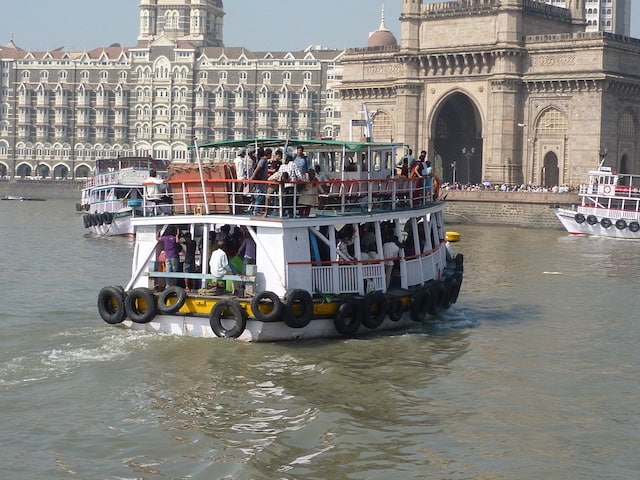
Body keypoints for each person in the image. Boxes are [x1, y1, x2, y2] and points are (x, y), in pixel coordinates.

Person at [248, 148, 271, 214]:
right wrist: (252, 177)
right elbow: (258, 168)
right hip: (260, 180)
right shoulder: (263, 160)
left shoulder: (264, 160)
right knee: (260, 195)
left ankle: (256, 209)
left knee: (259, 194)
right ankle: (256, 210)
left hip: (262, 180)